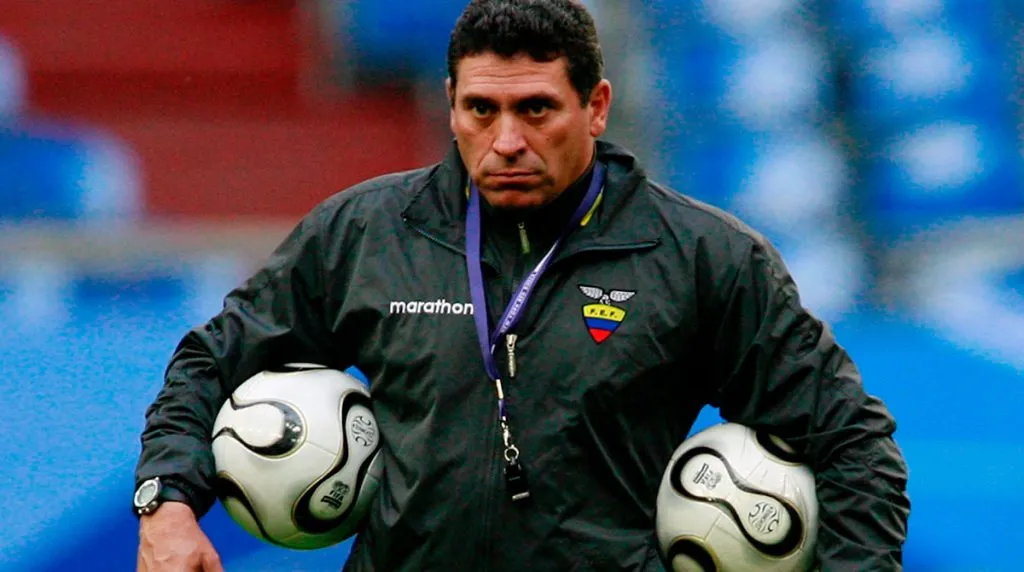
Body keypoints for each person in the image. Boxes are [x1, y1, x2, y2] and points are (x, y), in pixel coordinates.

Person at [133, 1, 911, 570]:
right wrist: (166, 502)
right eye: (482, 109)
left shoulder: (701, 256)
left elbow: (853, 444)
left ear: (596, 107)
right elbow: (212, 361)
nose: (506, 141)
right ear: (452, 105)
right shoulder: (366, 231)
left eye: (537, 109)